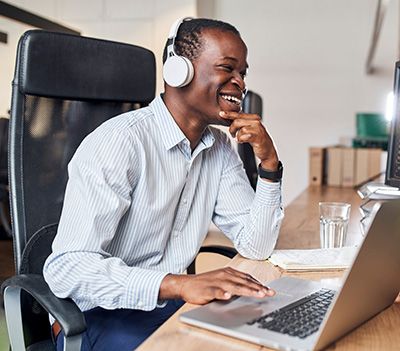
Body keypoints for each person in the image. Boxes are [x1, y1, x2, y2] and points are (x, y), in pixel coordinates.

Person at [43, 17, 284, 351]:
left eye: (243, 72)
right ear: (178, 70)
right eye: (227, 68)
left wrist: (270, 164)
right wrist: (178, 284)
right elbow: (68, 269)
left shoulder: (219, 149)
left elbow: (256, 245)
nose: (239, 83)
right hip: (98, 316)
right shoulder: (120, 143)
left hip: (169, 305)